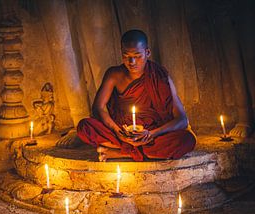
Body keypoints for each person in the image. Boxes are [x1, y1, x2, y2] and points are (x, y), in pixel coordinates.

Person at [77, 29, 196, 161]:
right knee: (85, 127)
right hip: (122, 133)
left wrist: (150, 134)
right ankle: (141, 152)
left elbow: (182, 119)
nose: (132, 62)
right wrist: (118, 131)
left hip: (151, 135)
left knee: (187, 140)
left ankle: (120, 153)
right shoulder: (114, 75)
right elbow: (98, 108)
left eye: (137, 56)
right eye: (126, 55)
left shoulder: (159, 76)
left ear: (147, 53)